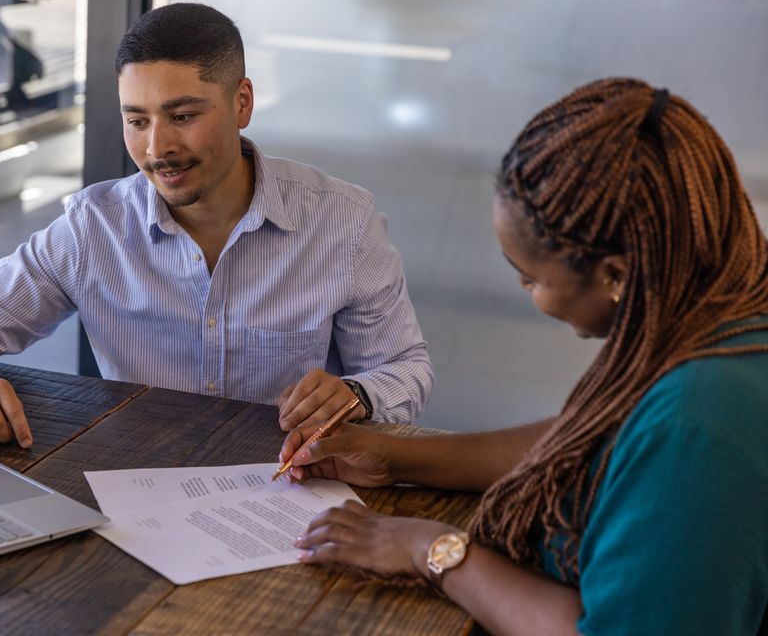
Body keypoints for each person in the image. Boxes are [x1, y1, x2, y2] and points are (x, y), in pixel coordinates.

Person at [280, 78, 768, 635]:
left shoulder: (699, 422)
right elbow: (591, 440)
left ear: (615, 275)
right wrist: (395, 456)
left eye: (530, 278)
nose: (524, 292)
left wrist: (433, 549)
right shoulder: (728, 314)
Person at [0, 3, 433, 449]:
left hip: (287, 486)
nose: (158, 149)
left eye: (182, 116)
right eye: (137, 120)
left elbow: (404, 368)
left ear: (242, 103)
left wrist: (358, 395)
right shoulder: (95, 228)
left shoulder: (343, 224)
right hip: (139, 480)